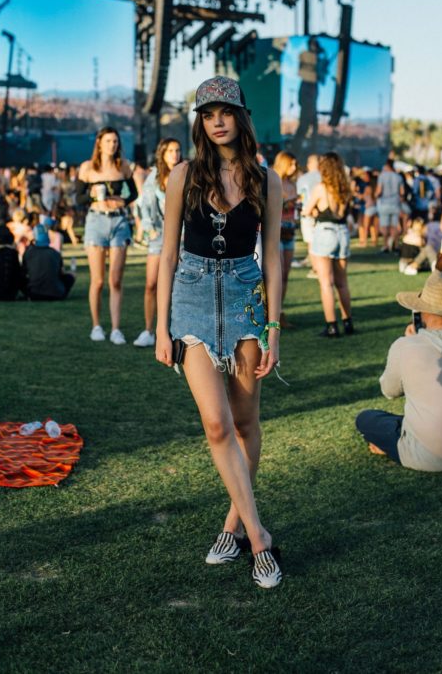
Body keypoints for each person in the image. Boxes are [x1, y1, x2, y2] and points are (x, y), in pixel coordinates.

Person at [155, 75, 283, 588]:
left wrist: (274, 327)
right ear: (200, 124)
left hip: (246, 296)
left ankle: (232, 523)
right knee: (216, 425)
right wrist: (162, 328)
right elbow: (166, 254)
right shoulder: (182, 176)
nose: (218, 121)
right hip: (190, 297)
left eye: (225, 112)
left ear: (241, 117)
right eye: (208, 115)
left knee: (247, 423)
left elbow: (271, 256)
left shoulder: (266, 179)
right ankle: (259, 538)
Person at [356, 271, 442, 471]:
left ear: (423, 311)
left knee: (367, 418)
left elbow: (389, 391)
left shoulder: (406, 346)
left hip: (428, 456)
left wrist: (409, 343)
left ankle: (390, 447)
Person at [77, 126, 138, 344]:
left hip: (119, 221)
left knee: (115, 280)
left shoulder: (123, 166)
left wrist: (124, 201)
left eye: (115, 141)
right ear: (99, 143)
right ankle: (96, 326)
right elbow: (78, 199)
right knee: (98, 280)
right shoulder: (87, 168)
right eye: (108, 141)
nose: (112, 145)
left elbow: (133, 193)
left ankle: (115, 329)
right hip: (96, 221)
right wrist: (93, 196)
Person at [133, 138, 182, 347]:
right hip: (159, 234)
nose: (174, 154)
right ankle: (148, 330)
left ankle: (177, 330)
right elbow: (144, 205)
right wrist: (150, 229)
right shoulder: (154, 176)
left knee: (179, 286)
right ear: (162, 153)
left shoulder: (186, 173)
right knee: (151, 284)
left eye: (178, 150)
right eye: (170, 150)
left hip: (183, 236)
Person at [302, 151, 353, 337]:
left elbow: (307, 211)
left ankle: (331, 325)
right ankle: (348, 322)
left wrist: (314, 212)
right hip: (343, 233)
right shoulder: (346, 187)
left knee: (326, 283)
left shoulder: (321, 187)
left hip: (325, 232)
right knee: (342, 283)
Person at [273, 150, 298, 328]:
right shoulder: (274, 182)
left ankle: (281, 312)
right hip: (275, 231)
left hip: (289, 230)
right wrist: (287, 203)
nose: (294, 167)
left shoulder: (292, 184)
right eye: (291, 164)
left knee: (286, 275)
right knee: (278, 274)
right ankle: (274, 314)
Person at [21, 225, 75, 301]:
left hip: (33, 294)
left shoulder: (28, 253)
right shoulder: (55, 253)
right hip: (56, 294)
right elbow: (61, 273)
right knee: (71, 275)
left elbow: (24, 272)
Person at [297, 153, 320, 278]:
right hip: (322, 213)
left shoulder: (303, 178)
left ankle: (315, 268)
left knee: (311, 242)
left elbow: (301, 197)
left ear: (309, 164)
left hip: (307, 211)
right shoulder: (324, 177)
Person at [376, 159, 404, 252]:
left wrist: (376, 196)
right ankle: (395, 245)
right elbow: (402, 192)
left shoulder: (382, 176)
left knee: (385, 226)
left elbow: (379, 191)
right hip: (395, 203)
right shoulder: (398, 177)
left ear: (386, 165)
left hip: (384, 203)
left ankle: (386, 245)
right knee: (395, 226)